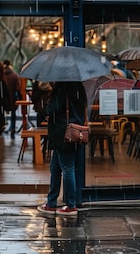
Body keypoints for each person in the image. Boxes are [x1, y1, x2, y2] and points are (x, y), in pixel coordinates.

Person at [37, 82, 86, 216]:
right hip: (73, 130)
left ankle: (71, 205)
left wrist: (48, 105)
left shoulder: (62, 87)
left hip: (62, 133)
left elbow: (52, 108)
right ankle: (51, 203)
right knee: (55, 168)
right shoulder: (79, 87)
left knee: (67, 167)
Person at [3, 60, 21, 137]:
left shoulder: (1, 75)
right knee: (13, 114)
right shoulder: (14, 75)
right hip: (13, 98)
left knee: (2, 113)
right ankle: (12, 128)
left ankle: (3, 127)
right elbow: (18, 88)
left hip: (3, 98)